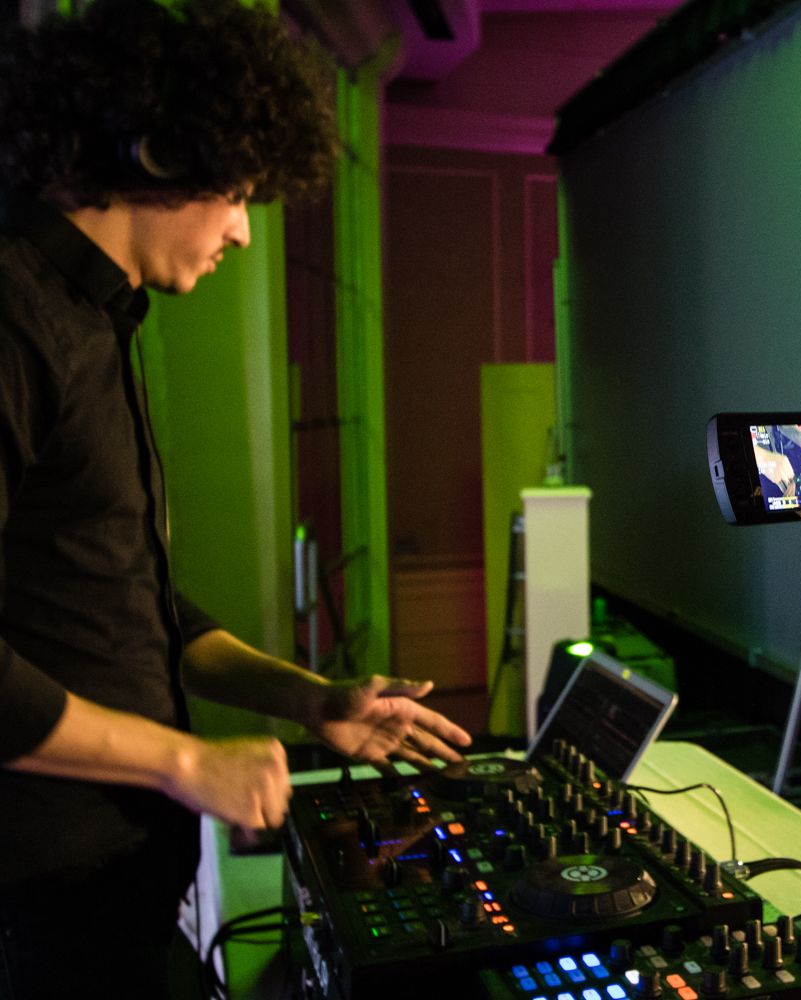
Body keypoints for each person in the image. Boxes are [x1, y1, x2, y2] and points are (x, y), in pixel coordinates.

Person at [0, 2, 472, 995]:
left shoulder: (100, 323)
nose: (244, 235)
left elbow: (126, 604)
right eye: (238, 195)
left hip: (112, 890)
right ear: (161, 153)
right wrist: (182, 760)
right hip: (34, 905)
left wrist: (312, 700)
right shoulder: (15, 318)